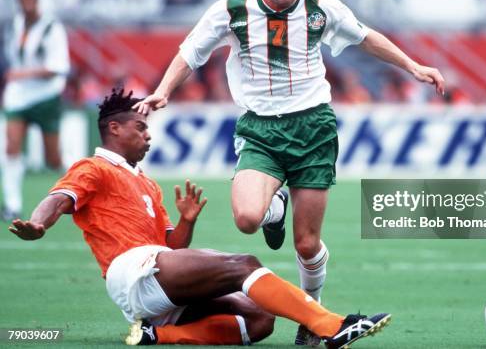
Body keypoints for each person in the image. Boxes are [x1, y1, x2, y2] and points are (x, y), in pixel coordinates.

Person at [134, 0, 443, 344]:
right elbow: (191, 51)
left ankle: (311, 321)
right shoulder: (233, 9)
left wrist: (413, 65)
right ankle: (272, 210)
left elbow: (365, 36)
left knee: (307, 242)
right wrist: (164, 90)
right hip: (260, 129)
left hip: (313, 128)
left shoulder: (320, 7)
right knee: (246, 219)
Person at [9, 88, 390, 347]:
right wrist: (40, 223)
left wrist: (186, 221)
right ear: (113, 128)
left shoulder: (147, 184)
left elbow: (174, 248)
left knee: (259, 320)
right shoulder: (94, 168)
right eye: (140, 127)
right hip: (131, 271)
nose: (148, 136)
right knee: (243, 264)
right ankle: (329, 325)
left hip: (157, 277)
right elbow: (58, 198)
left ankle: (157, 337)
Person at [1, 0, 70, 221]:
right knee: (11, 147)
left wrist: (23, 74)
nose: (26, 3)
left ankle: (80, 191)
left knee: (53, 159)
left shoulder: (52, 28)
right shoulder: (15, 24)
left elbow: (59, 67)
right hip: (18, 95)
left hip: (45, 96)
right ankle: (12, 205)